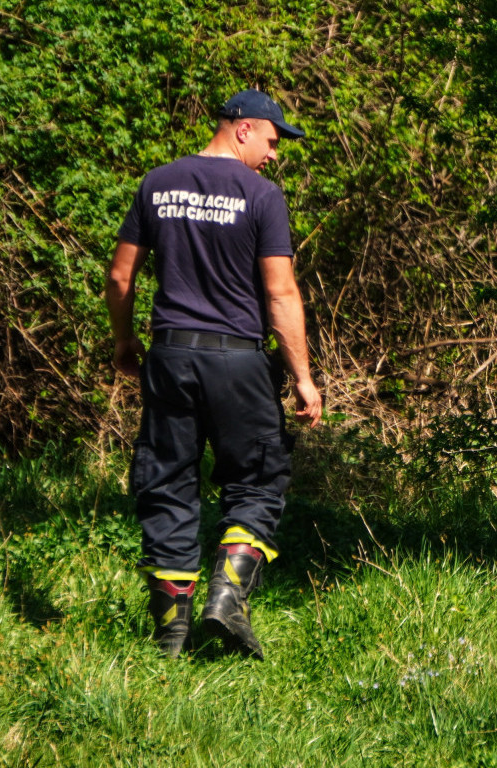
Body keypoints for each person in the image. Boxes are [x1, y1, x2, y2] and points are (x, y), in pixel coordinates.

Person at [105, 89, 323, 660]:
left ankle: (170, 637)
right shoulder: (262, 196)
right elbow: (280, 292)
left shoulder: (157, 183)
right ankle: (227, 596)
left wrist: (124, 340)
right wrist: (302, 375)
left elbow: (120, 276)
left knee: (167, 484)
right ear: (242, 129)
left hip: (170, 355)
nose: (275, 155)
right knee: (256, 478)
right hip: (238, 359)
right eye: (273, 141)